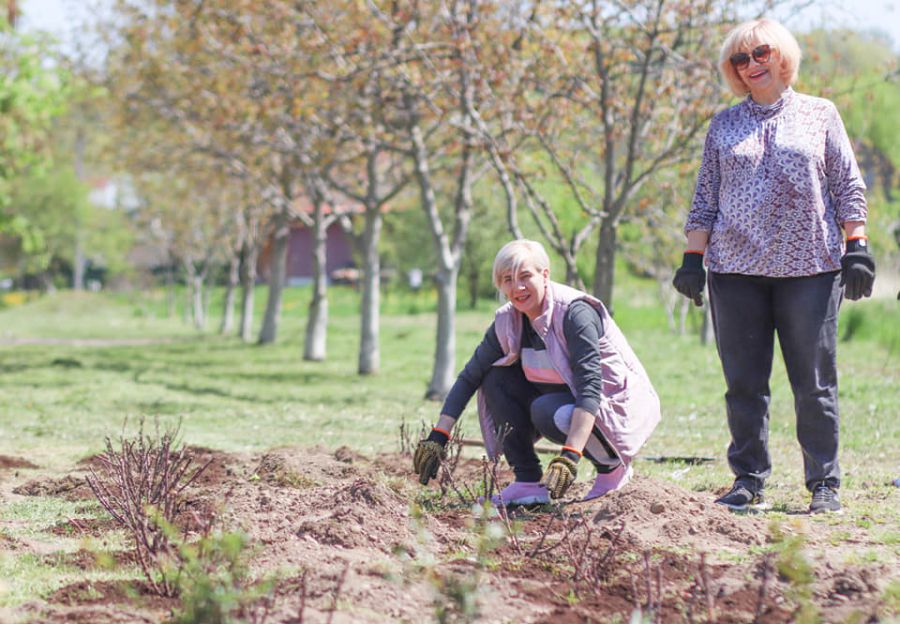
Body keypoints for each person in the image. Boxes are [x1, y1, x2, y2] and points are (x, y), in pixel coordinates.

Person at [673, 18, 875, 514]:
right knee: (744, 383)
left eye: (759, 54)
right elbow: (705, 199)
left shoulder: (820, 114)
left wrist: (858, 247)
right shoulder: (723, 126)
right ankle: (748, 480)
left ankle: (824, 483)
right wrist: (692, 260)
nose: (750, 66)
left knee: (813, 382)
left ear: (781, 56)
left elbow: (847, 184)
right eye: (739, 60)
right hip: (736, 271)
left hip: (811, 267)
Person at [413, 239, 660, 505]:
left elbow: (590, 386)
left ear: (545, 275)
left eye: (525, 276)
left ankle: (612, 468)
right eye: (507, 279)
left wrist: (570, 456)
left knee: (547, 410)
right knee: (495, 378)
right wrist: (439, 435)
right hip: (566, 400)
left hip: (616, 406)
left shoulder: (575, 313)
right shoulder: (508, 320)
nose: (517, 287)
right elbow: (469, 376)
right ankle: (528, 481)